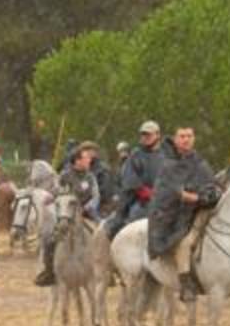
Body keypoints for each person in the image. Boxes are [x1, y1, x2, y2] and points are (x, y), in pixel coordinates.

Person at [148, 127, 220, 303]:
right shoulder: (167, 164)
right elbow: (163, 192)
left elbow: (212, 187)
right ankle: (186, 284)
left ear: (194, 139)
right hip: (175, 216)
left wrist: (200, 197)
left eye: (189, 136)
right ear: (175, 139)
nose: (186, 139)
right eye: (182, 136)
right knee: (184, 244)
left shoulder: (201, 163)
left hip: (201, 210)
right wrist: (180, 197)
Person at [35, 147, 100, 286]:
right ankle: (49, 272)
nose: (90, 160)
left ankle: (106, 269)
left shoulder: (90, 176)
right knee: (50, 240)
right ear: (77, 161)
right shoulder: (65, 175)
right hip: (66, 214)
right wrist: (51, 197)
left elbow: (96, 196)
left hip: (87, 212)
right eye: (86, 158)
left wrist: (87, 207)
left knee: (104, 233)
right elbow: (57, 191)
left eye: (89, 158)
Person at [108, 120, 165, 238]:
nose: (145, 137)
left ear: (158, 135)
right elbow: (130, 179)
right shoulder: (136, 155)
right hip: (140, 201)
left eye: (148, 134)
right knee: (126, 223)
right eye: (143, 134)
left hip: (163, 200)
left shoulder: (166, 156)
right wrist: (144, 191)